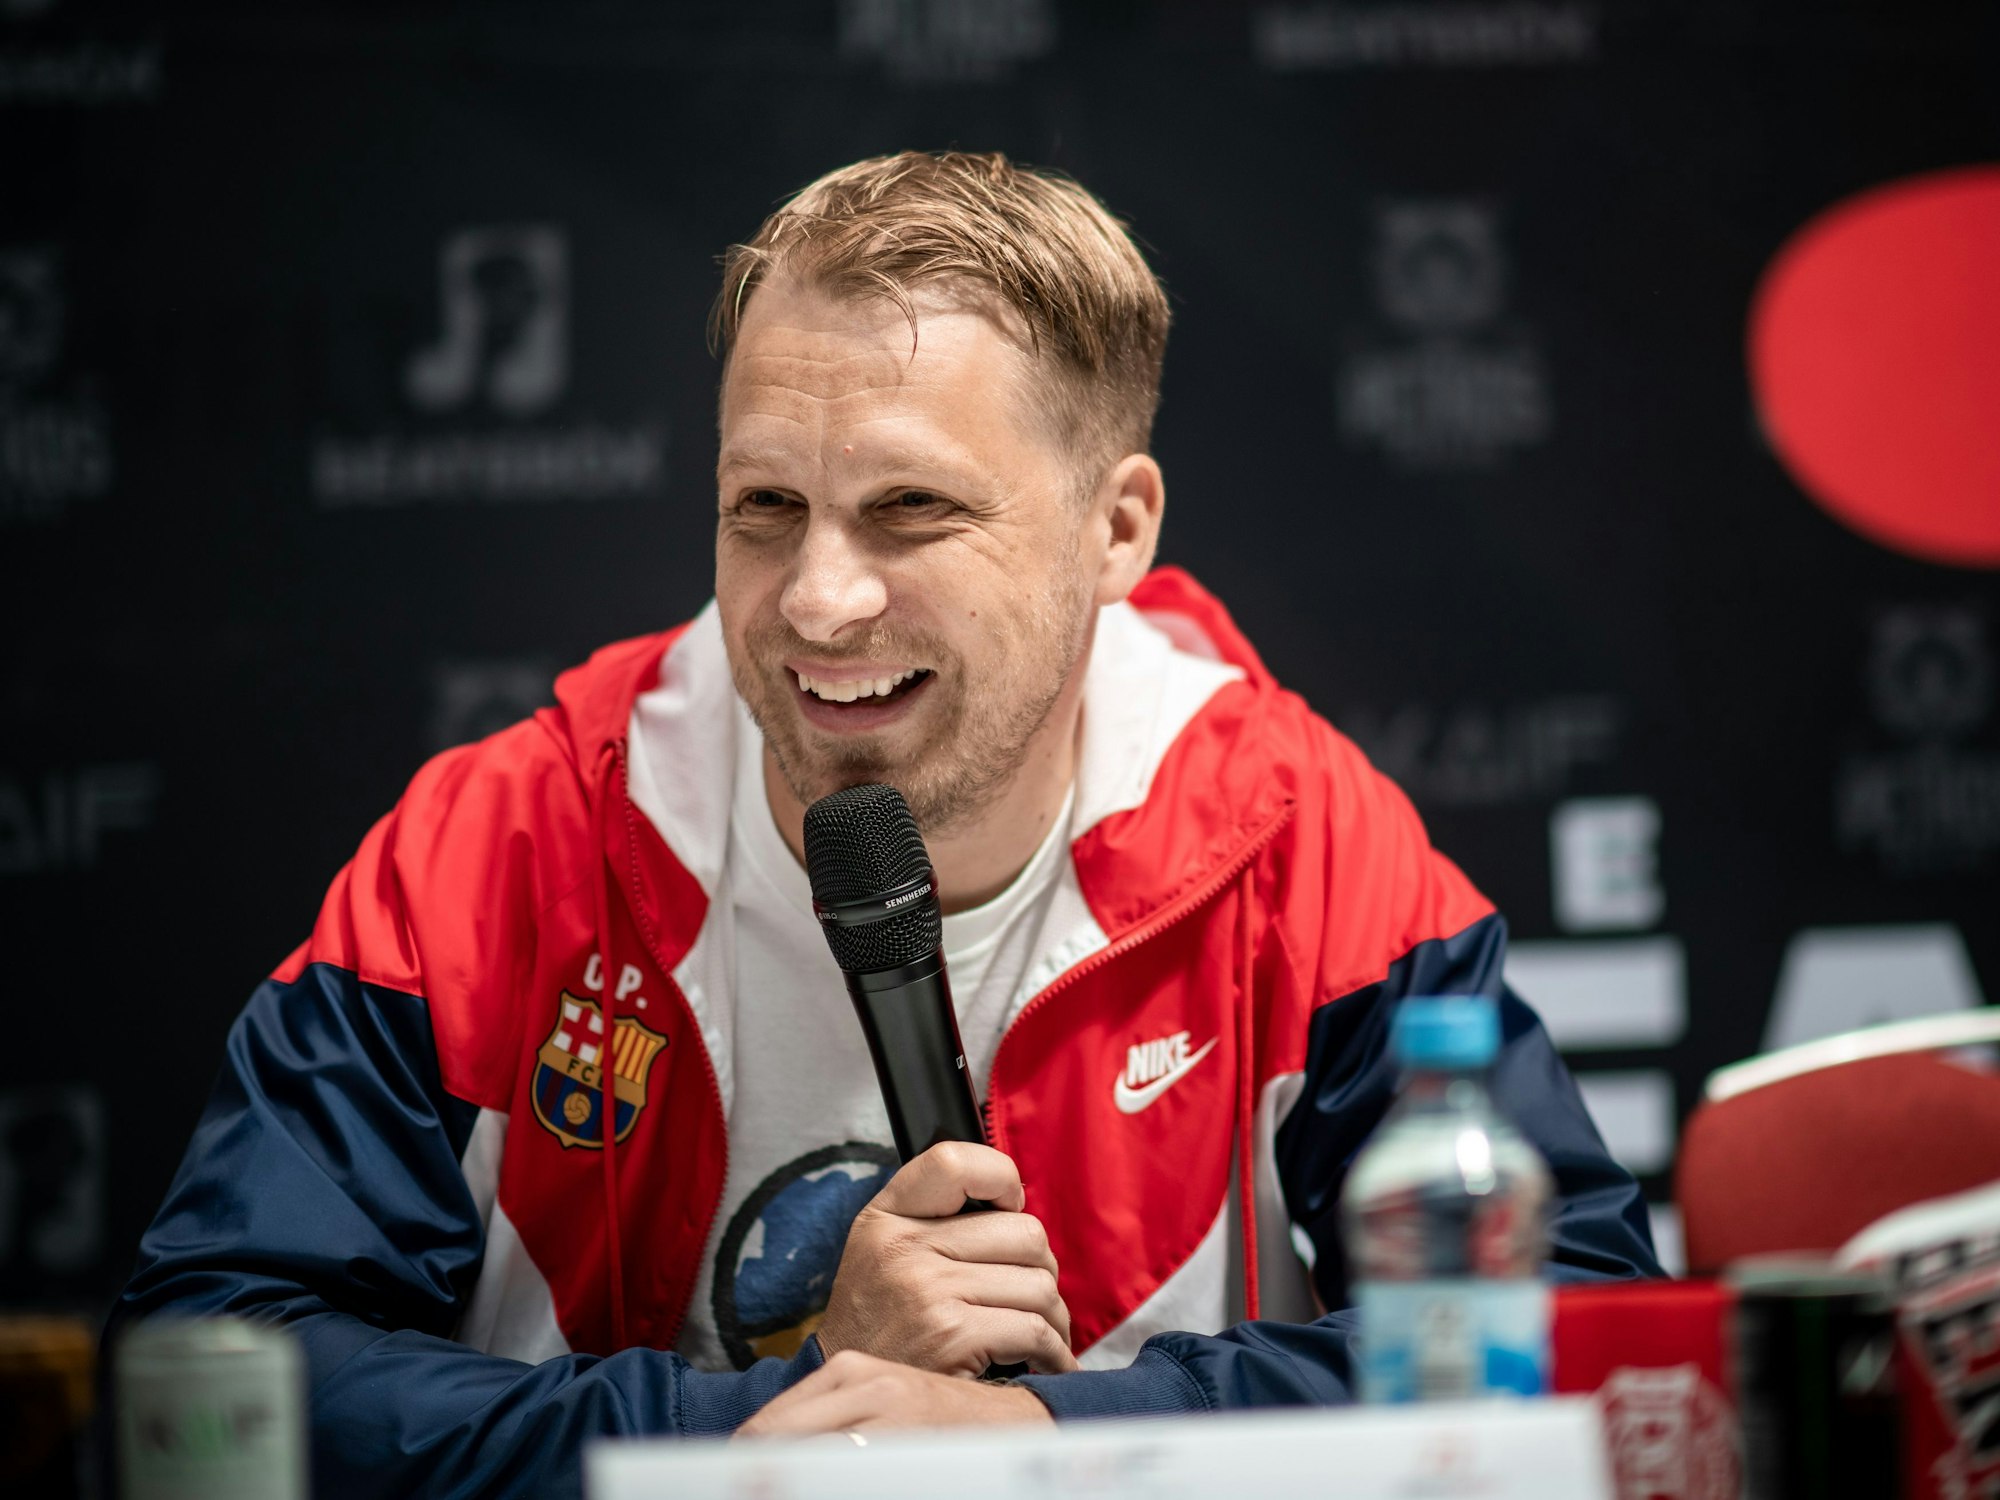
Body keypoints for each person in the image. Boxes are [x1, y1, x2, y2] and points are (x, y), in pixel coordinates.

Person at [111, 151, 1658, 1494]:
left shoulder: (1292, 839)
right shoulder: (507, 841)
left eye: (912, 512)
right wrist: (760, 1432)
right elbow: (199, 1382)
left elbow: (1579, 1348)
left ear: (1117, 528)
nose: (818, 601)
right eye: (764, 509)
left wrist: (1057, 1440)